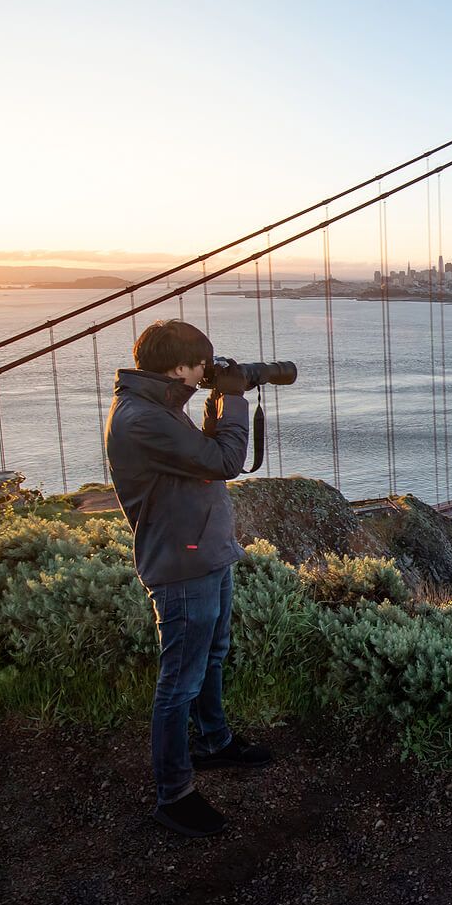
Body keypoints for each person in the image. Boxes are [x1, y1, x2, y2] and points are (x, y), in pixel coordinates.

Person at [104, 319, 273, 837]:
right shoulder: (141, 419)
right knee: (179, 684)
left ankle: (214, 742)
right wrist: (237, 400)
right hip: (182, 567)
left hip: (206, 554)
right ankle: (174, 795)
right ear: (178, 367)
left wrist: (214, 403)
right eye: (202, 362)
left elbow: (196, 456)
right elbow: (225, 460)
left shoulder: (160, 409)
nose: (208, 369)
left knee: (213, 656)